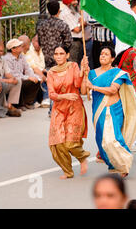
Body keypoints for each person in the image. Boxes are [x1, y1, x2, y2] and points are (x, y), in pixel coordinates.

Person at [81, 46, 136, 177]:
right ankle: (114, 165)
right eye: (101, 54)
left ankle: (124, 164)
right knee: (102, 142)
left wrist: (94, 87)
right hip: (99, 110)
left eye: (106, 54)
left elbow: (113, 90)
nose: (102, 56)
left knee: (113, 139)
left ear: (112, 58)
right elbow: (84, 91)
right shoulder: (92, 73)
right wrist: (83, 71)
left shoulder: (117, 73)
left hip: (114, 109)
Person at [47, 45, 89, 179]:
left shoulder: (73, 66)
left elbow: (77, 84)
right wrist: (65, 96)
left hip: (74, 107)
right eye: (56, 54)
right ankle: (68, 171)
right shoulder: (51, 72)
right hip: (59, 108)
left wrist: (83, 71)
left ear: (67, 55)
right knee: (57, 142)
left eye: (61, 53)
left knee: (70, 142)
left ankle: (82, 157)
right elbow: (52, 94)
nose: (58, 56)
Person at [3, 38, 41, 110]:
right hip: (12, 79)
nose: (21, 47)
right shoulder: (7, 59)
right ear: (13, 49)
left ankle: (28, 102)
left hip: (21, 77)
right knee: (21, 82)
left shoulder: (21, 56)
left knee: (37, 80)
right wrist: (28, 77)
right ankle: (20, 104)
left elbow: (27, 69)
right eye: (19, 46)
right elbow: (13, 74)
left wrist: (34, 77)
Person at [0, 40, 22, 116]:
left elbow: (7, 73)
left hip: (1, 82)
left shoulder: (3, 59)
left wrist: (13, 79)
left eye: (1, 51)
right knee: (3, 84)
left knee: (18, 81)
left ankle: (10, 105)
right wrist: (7, 80)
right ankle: (4, 107)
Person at [36, 0, 73, 70]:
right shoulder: (63, 25)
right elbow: (69, 42)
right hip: (59, 58)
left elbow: (39, 41)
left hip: (45, 57)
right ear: (59, 10)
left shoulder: (41, 25)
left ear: (48, 11)